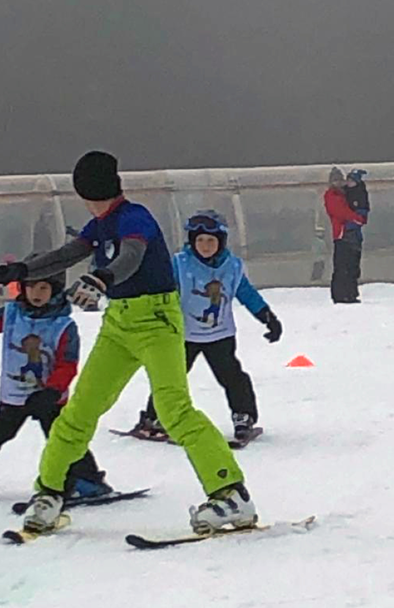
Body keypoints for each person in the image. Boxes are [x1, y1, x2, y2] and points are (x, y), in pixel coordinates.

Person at [0, 151, 256, 533]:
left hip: (156, 321)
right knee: (79, 410)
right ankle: (50, 492)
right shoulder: (99, 224)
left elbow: (131, 255)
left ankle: (231, 495)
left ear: (84, 191)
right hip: (118, 323)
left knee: (174, 410)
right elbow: (69, 254)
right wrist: (20, 271)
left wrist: (102, 278)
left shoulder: (134, 218)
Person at [130, 210, 283, 442]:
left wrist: (267, 317)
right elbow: (159, 289)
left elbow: (246, 294)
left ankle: (244, 417)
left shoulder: (232, 266)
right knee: (170, 379)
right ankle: (154, 418)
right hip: (183, 334)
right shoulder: (179, 264)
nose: (205, 245)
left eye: (211, 240)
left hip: (220, 335)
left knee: (232, 376)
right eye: (200, 240)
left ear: (221, 242)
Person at [0, 257, 113, 498]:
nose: (36, 293)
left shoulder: (63, 326)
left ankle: (87, 480)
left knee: (63, 437)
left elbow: (67, 364)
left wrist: (52, 390)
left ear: (55, 289)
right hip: (12, 395)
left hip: (49, 398)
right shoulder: (11, 314)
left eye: (43, 288)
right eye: (31, 287)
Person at [324, 167, 367, 303]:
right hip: (341, 234)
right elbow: (341, 212)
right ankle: (341, 294)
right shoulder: (332, 195)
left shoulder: (345, 194)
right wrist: (357, 218)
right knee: (342, 266)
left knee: (352, 265)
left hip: (350, 234)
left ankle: (350, 293)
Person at [343, 168, 370, 291]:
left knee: (353, 259)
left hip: (353, 230)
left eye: (351, 181)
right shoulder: (346, 193)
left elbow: (362, 215)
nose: (348, 183)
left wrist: (353, 222)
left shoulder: (359, 195)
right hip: (348, 229)